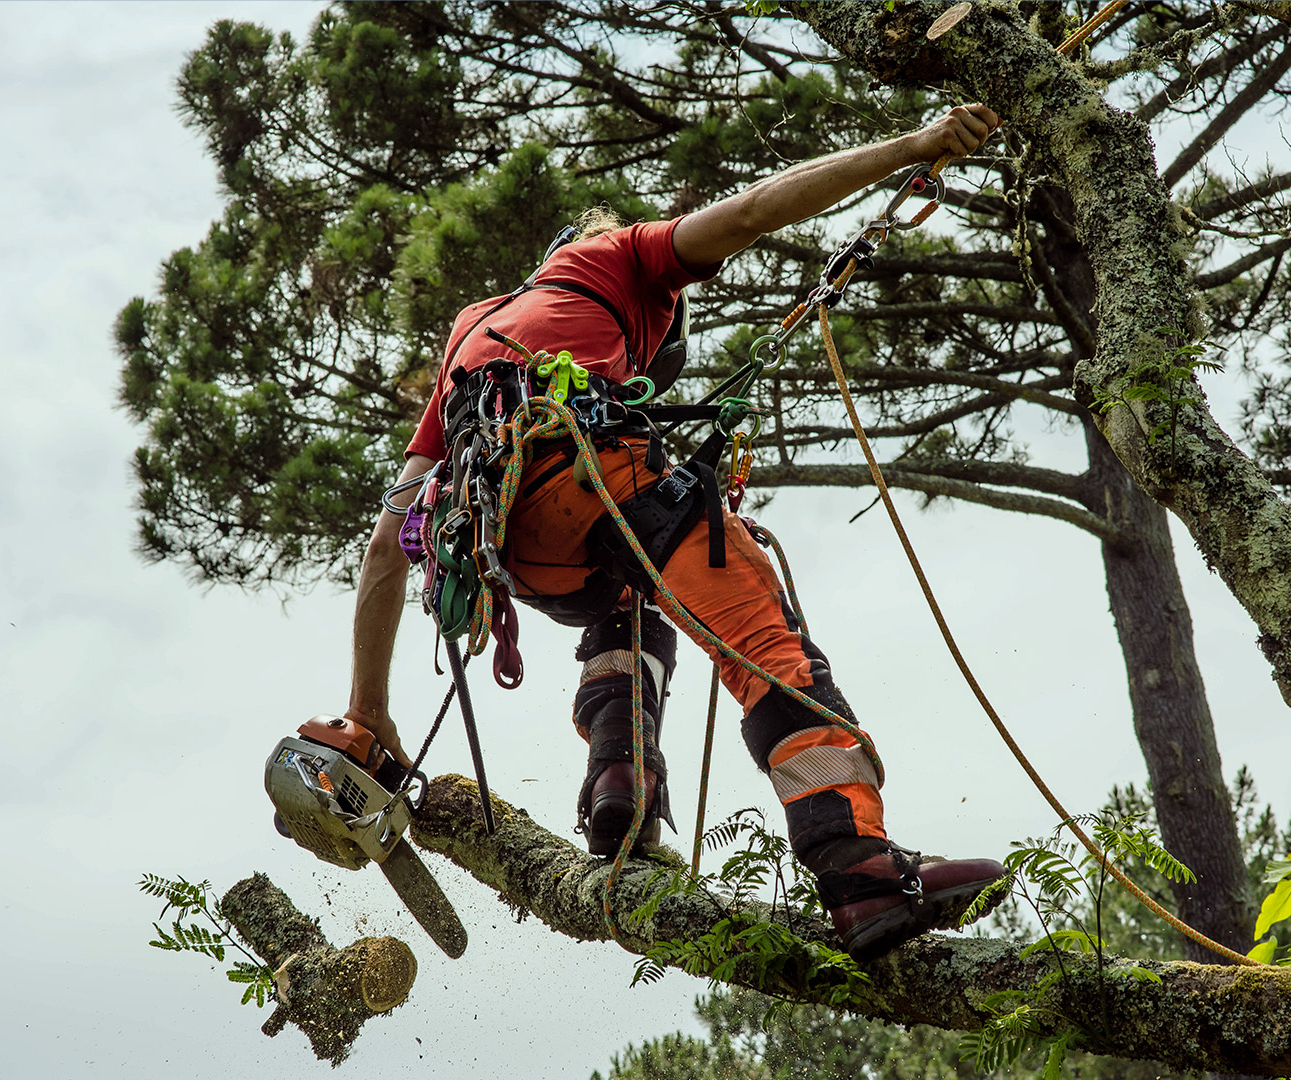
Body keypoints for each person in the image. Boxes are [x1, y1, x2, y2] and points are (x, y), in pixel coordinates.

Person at [344, 105, 1004, 961]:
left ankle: (618, 785)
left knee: (631, 609)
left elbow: (386, 543)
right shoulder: (615, 259)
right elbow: (760, 208)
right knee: (768, 649)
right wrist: (910, 147)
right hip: (593, 476)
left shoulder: (475, 328)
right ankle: (861, 872)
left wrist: (367, 705)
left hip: (519, 553)